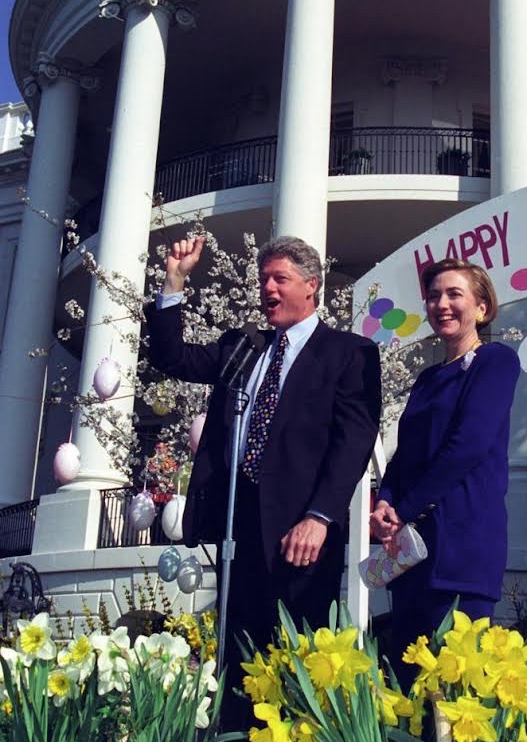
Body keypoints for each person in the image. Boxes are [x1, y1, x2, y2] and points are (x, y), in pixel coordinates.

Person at [146, 235, 382, 689]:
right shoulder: (243, 347)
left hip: (301, 533)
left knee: (298, 662)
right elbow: (171, 357)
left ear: (311, 285)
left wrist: (320, 516)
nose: (267, 289)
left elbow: (353, 442)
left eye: (280, 279)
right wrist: (174, 280)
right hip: (238, 526)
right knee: (240, 662)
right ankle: (234, 737)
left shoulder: (349, 353)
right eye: (263, 280)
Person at [368, 257, 520, 688]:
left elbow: (469, 444)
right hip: (411, 553)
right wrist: (386, 501)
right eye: (434, 296)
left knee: (456, 689)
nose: (442, 304)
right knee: (407, 684)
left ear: (482, 308)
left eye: (455, 294)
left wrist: (404, 509)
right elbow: (405, 454)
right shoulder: (428, 379)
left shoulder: (495, 361)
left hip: (462, 545)